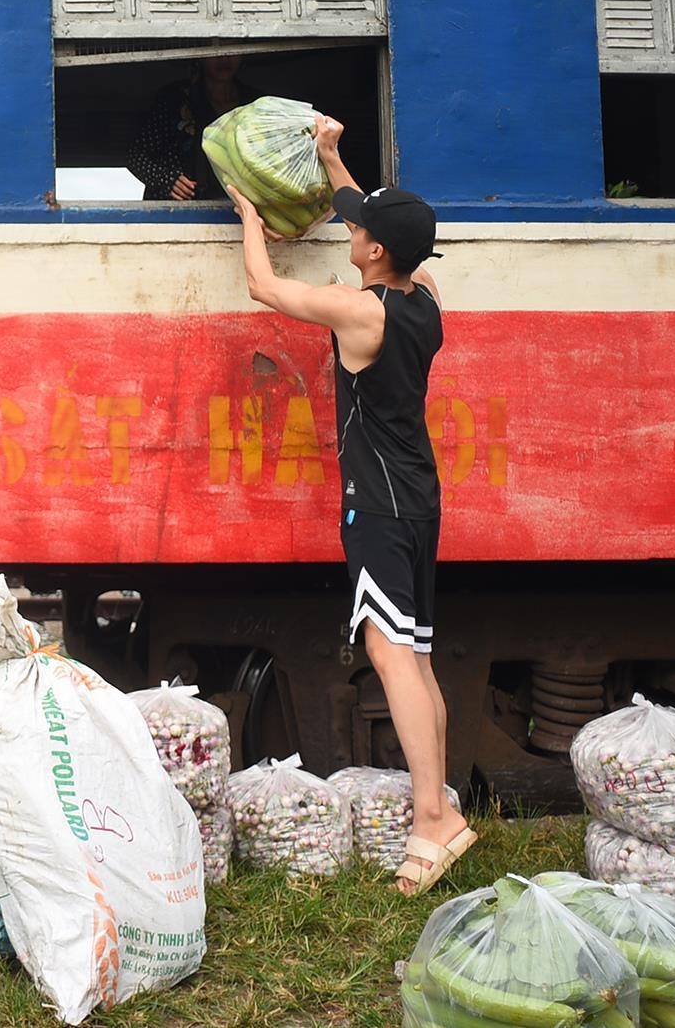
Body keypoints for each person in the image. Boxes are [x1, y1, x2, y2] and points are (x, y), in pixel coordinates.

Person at [228, 115, 474, 896]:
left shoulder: (360, 312)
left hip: (381, 504)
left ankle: (431, 817)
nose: (349, 227)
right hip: (419, 494)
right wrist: (333, 159)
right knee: (417, 656)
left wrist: (249, 218)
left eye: (358, 228)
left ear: (374, 251)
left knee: (389, 653)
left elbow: (265, 287)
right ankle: (442, 809)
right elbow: (368, 215)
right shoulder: (425, 296)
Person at [127, 54, 258, 201]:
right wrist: (167, 180)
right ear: (201, 56)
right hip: (178, 210)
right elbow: (136, 158)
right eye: (215, 49)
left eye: (231, 48)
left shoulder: (255, 104)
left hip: (241, 208)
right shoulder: (173, 98)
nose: (224, 58)